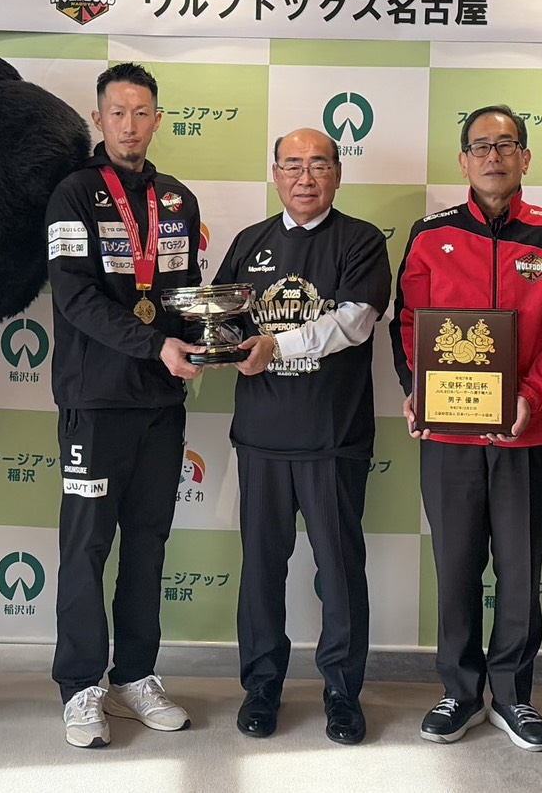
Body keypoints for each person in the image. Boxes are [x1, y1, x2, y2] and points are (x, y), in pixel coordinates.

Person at [390, 104, 542, 752]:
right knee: (455, 564)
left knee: (519, 566)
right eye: (480, 146)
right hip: (448, 432)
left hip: (529, 431)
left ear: (525, 158)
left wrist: (531, 397)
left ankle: (512, 695)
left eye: (506, 145)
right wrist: (417, 391)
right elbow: (408, 322)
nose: (493, 156)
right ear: (463, 161)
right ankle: (459, 691)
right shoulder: (430, 235)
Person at [45, 62, 205, 749]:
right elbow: (75, 297)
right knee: (86, 547)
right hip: (95, 400)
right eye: (118, 113)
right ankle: (81, 685)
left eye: (142, 113)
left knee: (148, 542)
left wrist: (205, 341)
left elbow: (186, 293)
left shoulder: (177, 200)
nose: (130, 125)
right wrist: (154, 344)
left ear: (158, 120)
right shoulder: (73, 194)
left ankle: (135, 675)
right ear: (99, 119)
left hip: (161, 403)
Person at [212, 128, 390, 745]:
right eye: (292, 165)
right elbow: (223, 316)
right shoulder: (250, 241)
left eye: (318, 165)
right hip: (260, 437)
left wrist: (275, 345)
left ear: (338, 173)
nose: (304, 177)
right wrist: (214, 344)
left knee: (339, 570)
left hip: (332, 438)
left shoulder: (361, 241)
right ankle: (262, 687)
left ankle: (342, 692)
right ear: (276, 174)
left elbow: (354, 322)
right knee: (261, 569)